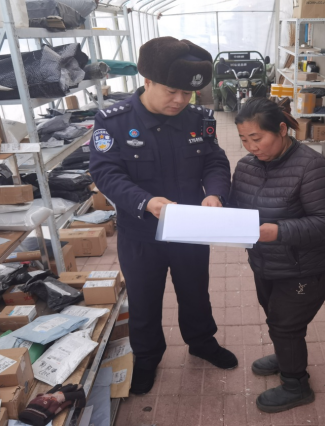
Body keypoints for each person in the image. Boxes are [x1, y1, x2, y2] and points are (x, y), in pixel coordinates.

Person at [90, 36, 238, 395]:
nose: (180, 100)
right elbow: (106, 173)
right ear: (148, 81)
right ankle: (146, 357)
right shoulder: (114, 121)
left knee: (195, 291)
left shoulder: (199, 119)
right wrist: (146, 202)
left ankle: (201, 342)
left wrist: (215, 193)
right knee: (144, 298)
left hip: (189, 227)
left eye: (188, 93)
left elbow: (214, 160)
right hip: (140, 232)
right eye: (172, 91)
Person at [229, 98, 325, 413]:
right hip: (266, 261)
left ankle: (296, 385)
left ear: (282, 130)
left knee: (285, 324)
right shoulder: (246, 166)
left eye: (257, 138)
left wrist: (278, 232)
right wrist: (215, 207)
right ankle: (285, 355)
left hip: (308, 266)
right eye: (244, 139)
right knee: (275, 315)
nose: (251, 147)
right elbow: (238, 208)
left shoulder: (313, 167)